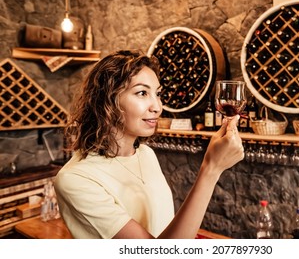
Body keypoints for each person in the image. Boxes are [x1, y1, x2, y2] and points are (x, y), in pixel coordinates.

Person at [54, 50, 244, 239]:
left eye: (158, 93)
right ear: (107, 101)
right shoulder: (75, 179)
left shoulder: (145, 154)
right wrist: (211, 169)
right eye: (142, 93)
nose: (157, 107)